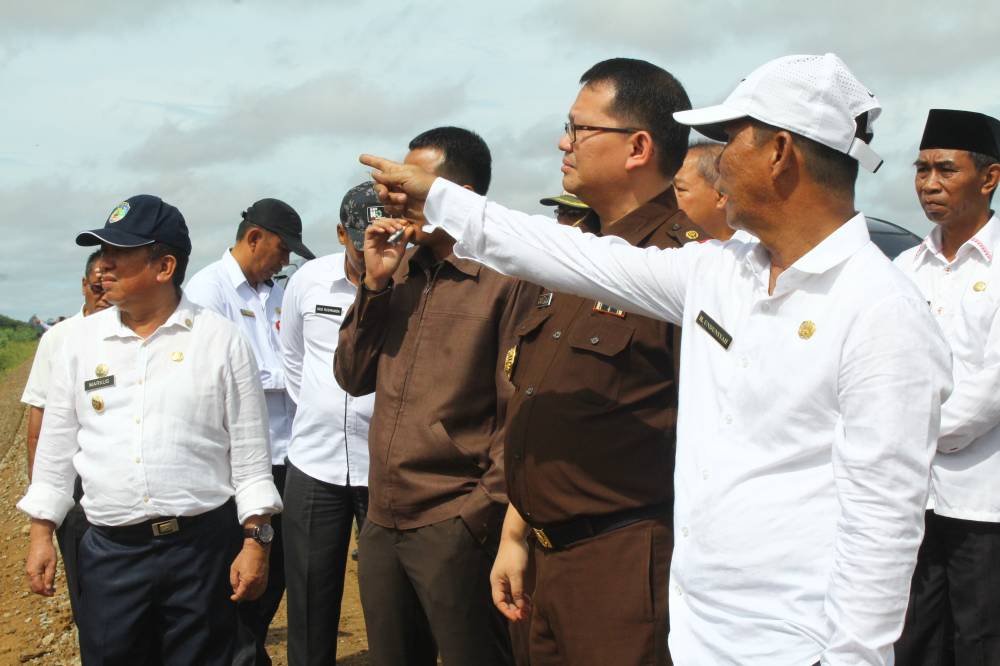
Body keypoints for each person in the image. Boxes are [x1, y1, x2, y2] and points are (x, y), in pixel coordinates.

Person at [360, 52, 953, 665]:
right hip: (697, 628)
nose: (715, 162)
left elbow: (883, 522)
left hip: (795, 642)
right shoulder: (720, 272)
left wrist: (855, 658)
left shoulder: (882, 310)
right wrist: (440, 200)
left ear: (779, 152)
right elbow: (568, 255)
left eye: (729, 140)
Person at [498, 58, 704, 666]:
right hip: (540, 556)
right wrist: (515, 534)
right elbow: (541, 405)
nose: (564, 142)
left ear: (638, 146)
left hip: (625, 563)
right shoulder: (567, 253)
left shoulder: (691, 267)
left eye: (580, 129)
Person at [18, 194, 281, 665]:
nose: (104, 266)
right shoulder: (76, 345)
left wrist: (255, 540)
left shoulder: (219, 340)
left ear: (164, 266)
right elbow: (57, 449)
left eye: (118, 254)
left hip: (201, 553)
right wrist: (41, 532)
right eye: (101, 253)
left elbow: (249, 454)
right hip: (110, 554)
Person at [335, 126, 531, 666]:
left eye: (408, 187)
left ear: (459, 195)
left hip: (454, 520)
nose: (393, 200)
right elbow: (352, 377)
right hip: (382, 518)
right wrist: (372, 286)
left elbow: (518, 414)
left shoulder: (505, 280)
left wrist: (473, 518)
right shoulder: (398, 274)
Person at [185, 197, 314, 665]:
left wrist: (286, 377)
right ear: (253, 237)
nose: (285, 261)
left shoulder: (276, 293)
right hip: (237, 464)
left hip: (287, 456)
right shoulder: (208, 290)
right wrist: (286, 379)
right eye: (281, 249)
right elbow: (217, 376)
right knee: (236, 574)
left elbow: (294, 356)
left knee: (275, 571)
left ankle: (247, 651)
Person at [893, 109, 1000, 665]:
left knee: (983, 639)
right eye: (922, 169)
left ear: (989, 178)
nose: (929, 184)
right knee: (913, 637)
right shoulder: (907, 267)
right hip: (913, 494)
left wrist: (914, 433)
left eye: (945, 170)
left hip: (984, 499)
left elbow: (991, 387)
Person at [278, 183, 378, 666]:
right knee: (310, 599)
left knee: (390, 605)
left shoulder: (414, 283)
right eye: (363, 243)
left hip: (385, 471)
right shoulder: (309, 281)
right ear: (342, 234)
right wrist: (320, 410)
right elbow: (293, 358)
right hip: (314, 467)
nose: (376, 253)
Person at [20, 249, 110, 633]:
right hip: (73, 482)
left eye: (111, 284)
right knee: (87, 590)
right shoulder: (58, 339)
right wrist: (44, 498)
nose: (104, 294)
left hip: (115, 480)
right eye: (96, 286)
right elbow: (38, 426)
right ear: (83, 286)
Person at [673, 140, 735, 240]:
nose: (669, 196)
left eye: (680, 189)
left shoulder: (758, 250)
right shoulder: (668, 246)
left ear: (721, 196)